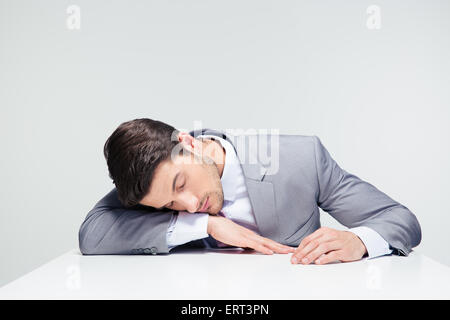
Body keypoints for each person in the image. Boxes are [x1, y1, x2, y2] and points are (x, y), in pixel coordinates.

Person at [78, 118, 421, 265]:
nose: (190, 205)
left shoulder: (300, 159)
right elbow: (92, 234)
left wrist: (359, 242)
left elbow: (400, 219)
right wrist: (206, 226)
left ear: (187, 143)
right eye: (170, 204)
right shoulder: (150, 186)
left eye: (181, 184)